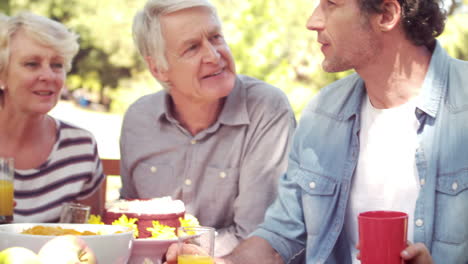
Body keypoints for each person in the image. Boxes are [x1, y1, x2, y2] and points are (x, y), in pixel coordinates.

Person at [163, 0, 468, 262]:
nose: (313, 21)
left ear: (387, 14)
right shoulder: (323, 113)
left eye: (331, 4)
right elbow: (278, 238)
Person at [120, 0, 296, 256]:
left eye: (215, 38)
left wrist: (180, 253)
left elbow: (259, 236)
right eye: (192, 48)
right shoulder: (139, 119)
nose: (214, 56)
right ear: (158, 68)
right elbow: (131, 219)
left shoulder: (266, 109)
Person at [0, 12, 105, 223]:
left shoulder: (79, 148)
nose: (49, 76)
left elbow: (90, 239)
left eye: (57, 65)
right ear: (2, 75)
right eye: (32, 63)